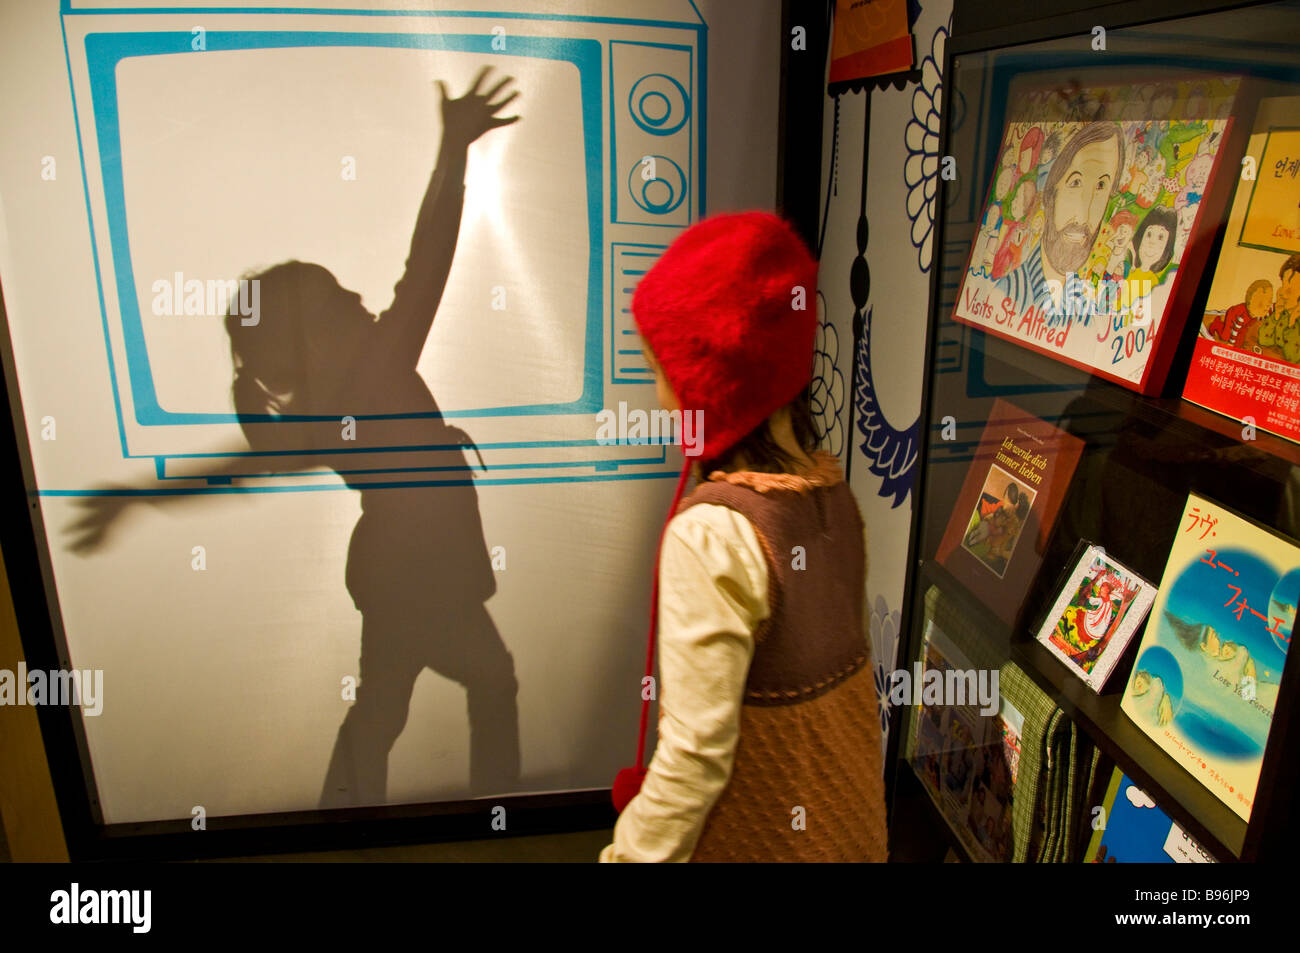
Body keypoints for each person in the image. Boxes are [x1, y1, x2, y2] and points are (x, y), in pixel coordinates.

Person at [67, 67, 524, 806]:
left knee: (390, 704)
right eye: (344, 301)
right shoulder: (378, 364)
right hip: (420, 572)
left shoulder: (319, 412)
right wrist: (454, 147)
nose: (362, 301)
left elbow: (228, 471)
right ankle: (476, 806)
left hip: (398, 573)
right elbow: (430, 259)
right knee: (464, 685)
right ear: (316, 338)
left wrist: (139, 498)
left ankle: (353, 814)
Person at [598, 212, 888, 862]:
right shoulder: (834, 499)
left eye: (658, 366)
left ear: (700, 378)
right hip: (849, 835)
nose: (658, 388)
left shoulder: (712, 537)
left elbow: (694, 757)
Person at [996, 121, 1125, 320]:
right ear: (1049, 194)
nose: (1084, 216)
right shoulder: (1005, 292)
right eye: (1076, 183)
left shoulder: (1087, 313)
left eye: (1101, 186)